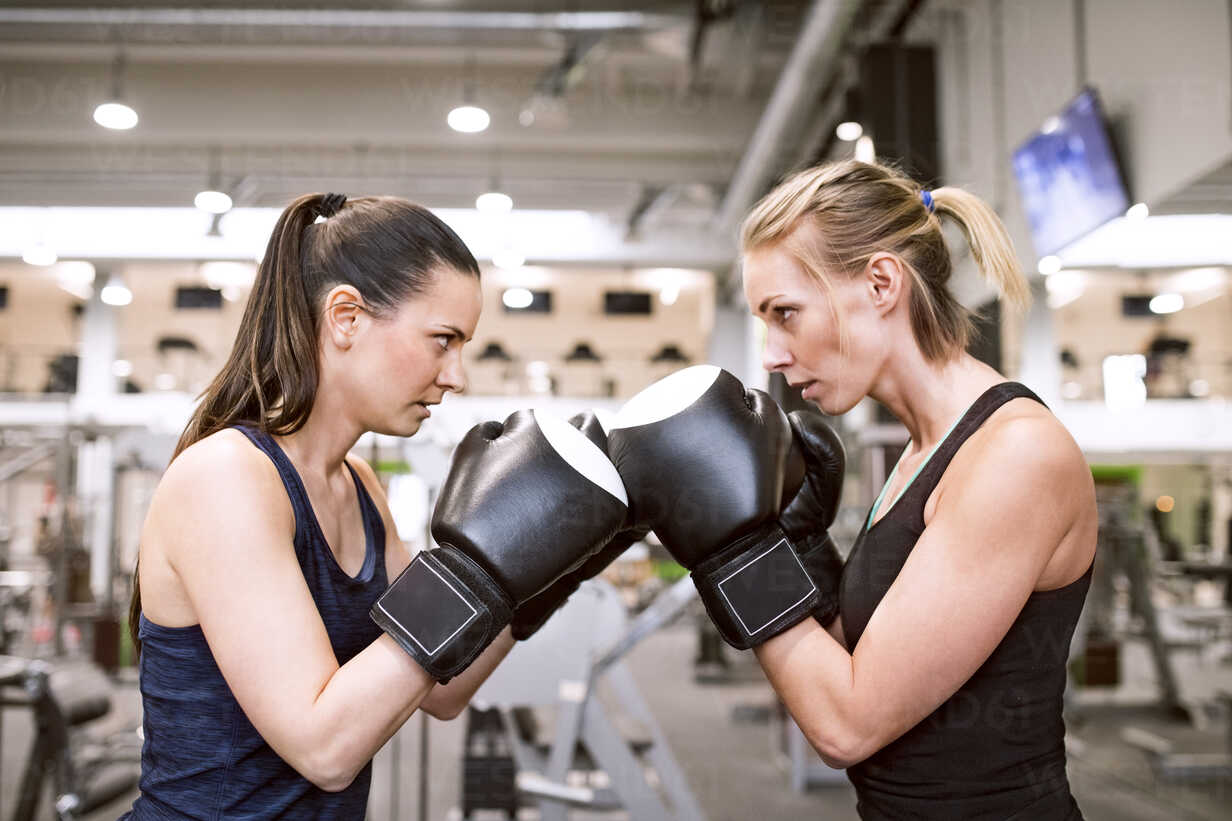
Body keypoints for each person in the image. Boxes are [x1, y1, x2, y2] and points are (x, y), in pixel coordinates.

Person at [610, 160, 1097, 819]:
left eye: (786, 314)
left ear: (880, 282)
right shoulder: (920, 454)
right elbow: (852, 657)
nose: (773, 355)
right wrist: (800, 546)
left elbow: (847, 722)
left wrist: (736, 552)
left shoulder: (1013, 454)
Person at [122, 192, 627, 819]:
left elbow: (443, 689)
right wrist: (477, 571)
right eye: (442, 340)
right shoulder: (227, 477)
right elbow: (325, 747)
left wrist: (564, 564)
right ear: (346, 317)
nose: (458, 375)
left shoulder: (360, 487)